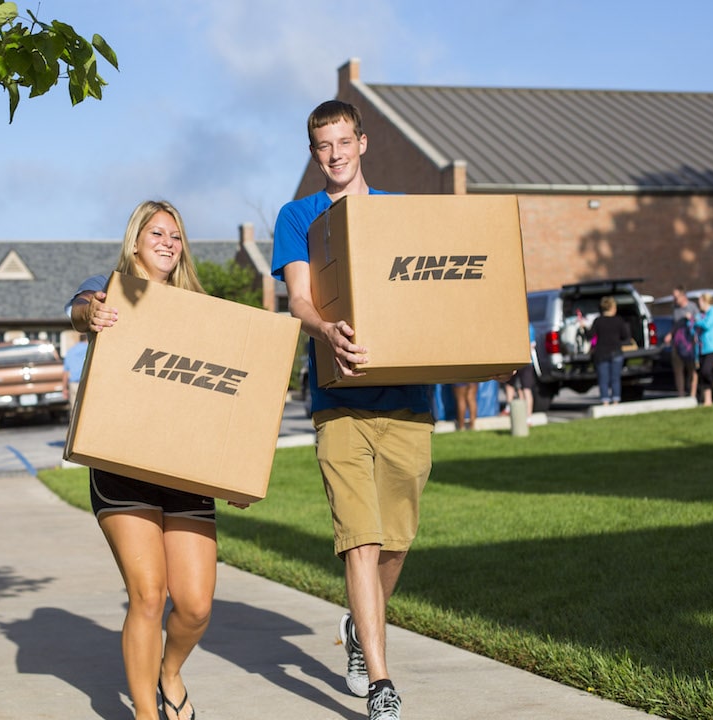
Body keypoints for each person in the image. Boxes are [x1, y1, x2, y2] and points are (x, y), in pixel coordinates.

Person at [271, 101, 434, 720]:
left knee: (396, 542)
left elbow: (431, 293)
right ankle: (380, 680)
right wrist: (326, 329)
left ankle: (359, 624)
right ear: (312, 152)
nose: (334, 154)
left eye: (343, 142)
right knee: (359, 540)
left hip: (410, 399)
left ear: (362, 143)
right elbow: (300, 301)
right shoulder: (298, 217)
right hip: (338, 400)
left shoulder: (398, 213)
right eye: (322, 146)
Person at [66, 199, 233, 720]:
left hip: (185, 469)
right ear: (135, 239)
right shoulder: (110, 287)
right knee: (147, 594)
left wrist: (236, 470)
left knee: (196, 604)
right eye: (156, 232)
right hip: (122, 467)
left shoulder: (200, 305)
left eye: (176, 236)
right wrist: (91, 313)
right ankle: (144, 711)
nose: (167, 241)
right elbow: (77, 309)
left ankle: (170, 671)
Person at [587, 296, 632, 405]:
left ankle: (605, 401)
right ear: (613, 308)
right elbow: (626, 336)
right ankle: (616, 400)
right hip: (616, 351)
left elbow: (590, 336)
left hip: (601, 353)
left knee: (603, 379)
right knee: (615, 378)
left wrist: (584, 327)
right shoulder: (619, 320)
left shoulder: (598, 321)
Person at [664, 286, 698, 398]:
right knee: (678, 369)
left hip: (690, 343)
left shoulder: (692, 307)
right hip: (677, 344)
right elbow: (674, 326)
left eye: (676, 296)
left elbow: (699, 323)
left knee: (692, 369)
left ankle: (692, 394)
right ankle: (681, 395)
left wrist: (691, 319)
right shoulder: (675, 308)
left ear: (683, 296)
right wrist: (670, 334)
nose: (674, 299)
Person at [691, 292, 713, 406]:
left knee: (706, 370)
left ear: (705, 301)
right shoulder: (701, 314)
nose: (698, 304)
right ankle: (708, 400)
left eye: (700, 301)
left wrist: (696, 321)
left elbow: (707, 325)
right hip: (702, 348)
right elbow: (693, 329)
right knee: (703, 373)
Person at [62, 333, 89, 411]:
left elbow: (65, 372)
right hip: (87, 382)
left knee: (75, 409)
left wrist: (64, 388)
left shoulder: (70, 351)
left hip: (74, 384)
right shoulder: (89, 349)